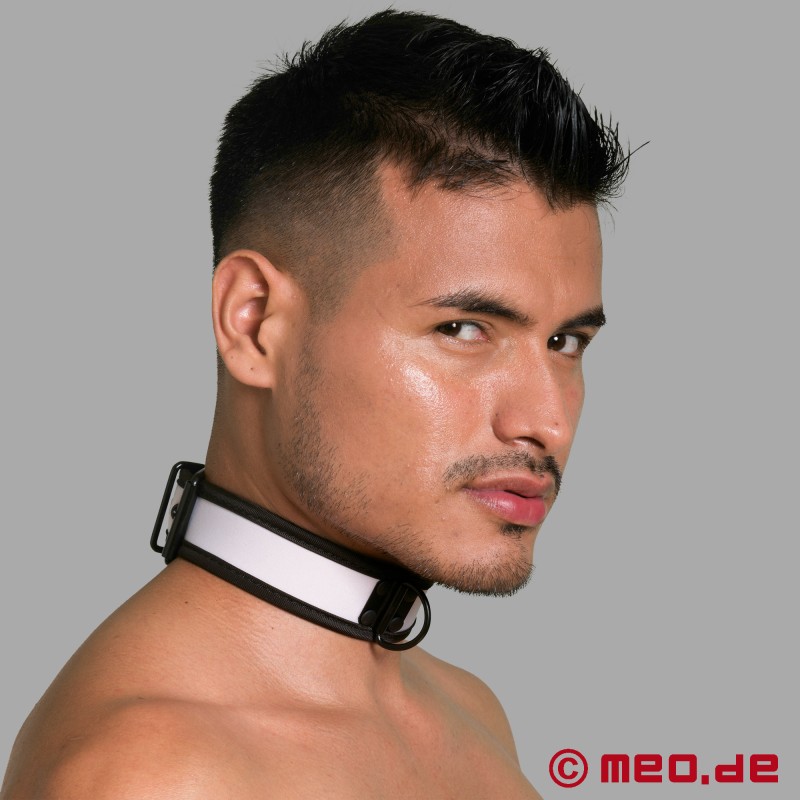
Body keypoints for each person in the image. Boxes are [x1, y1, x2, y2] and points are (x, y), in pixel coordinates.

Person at [1, 9, 627, 798]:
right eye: (464, 329)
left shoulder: (470, 712)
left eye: (565, 342)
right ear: (254, 323)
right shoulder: (153, 774)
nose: (547, 421)